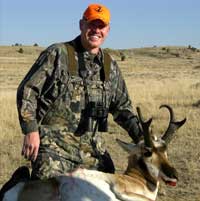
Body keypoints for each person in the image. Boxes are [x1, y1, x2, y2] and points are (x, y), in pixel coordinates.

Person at [17, 3, 142, 180]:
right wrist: (31, 130)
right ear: (81, 25)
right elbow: (28, 90)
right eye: (92, 24)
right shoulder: (58, 54)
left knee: (108, 192)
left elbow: (122, 107)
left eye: (101, 26)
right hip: (55, 150)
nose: (96, 30)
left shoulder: (109, 65)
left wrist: (143, 138)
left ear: (108, 30)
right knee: (50, 192)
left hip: (92, 151)